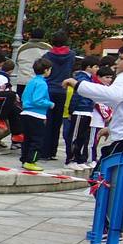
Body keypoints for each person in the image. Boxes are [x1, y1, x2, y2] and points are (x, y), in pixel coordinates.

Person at [63, 41, 123, 160]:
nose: (116, 62)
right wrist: (111, 128)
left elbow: (113, 95)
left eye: (121, 58)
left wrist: (78, 85)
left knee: (103, 173)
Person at [39, 32, 74, 160]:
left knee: (47, 121)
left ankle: (44, 151)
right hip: (63, 89)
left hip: (48, 89)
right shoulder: (71, 55)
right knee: (57, 122)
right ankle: (53, 151)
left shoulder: (47, 55)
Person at [64, 57, 98, 168]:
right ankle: (71, 159)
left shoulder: (90, 79)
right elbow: (76, 96)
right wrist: (71, 110)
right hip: (80, 110)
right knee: (75, 136)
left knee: (82, 137)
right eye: (96, 67)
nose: (97, 69)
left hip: (87, 111)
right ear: (88, 67)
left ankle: (79, 159)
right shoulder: (82, 79)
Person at [20, 58, 53, 172]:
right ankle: (31, 161)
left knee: (27, 139)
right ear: (46, 70)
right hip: (37, 114)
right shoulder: (42, 83)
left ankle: (25, 159)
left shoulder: (32, 81)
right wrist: (50, 104)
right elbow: (38, 99)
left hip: (26, 112)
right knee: (37, 140)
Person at [13, 27, 51, 92]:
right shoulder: (47, 48)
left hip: (23, 81)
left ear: (31, 36)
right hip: (39, 82)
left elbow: (17, 62)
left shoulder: (21, 48)